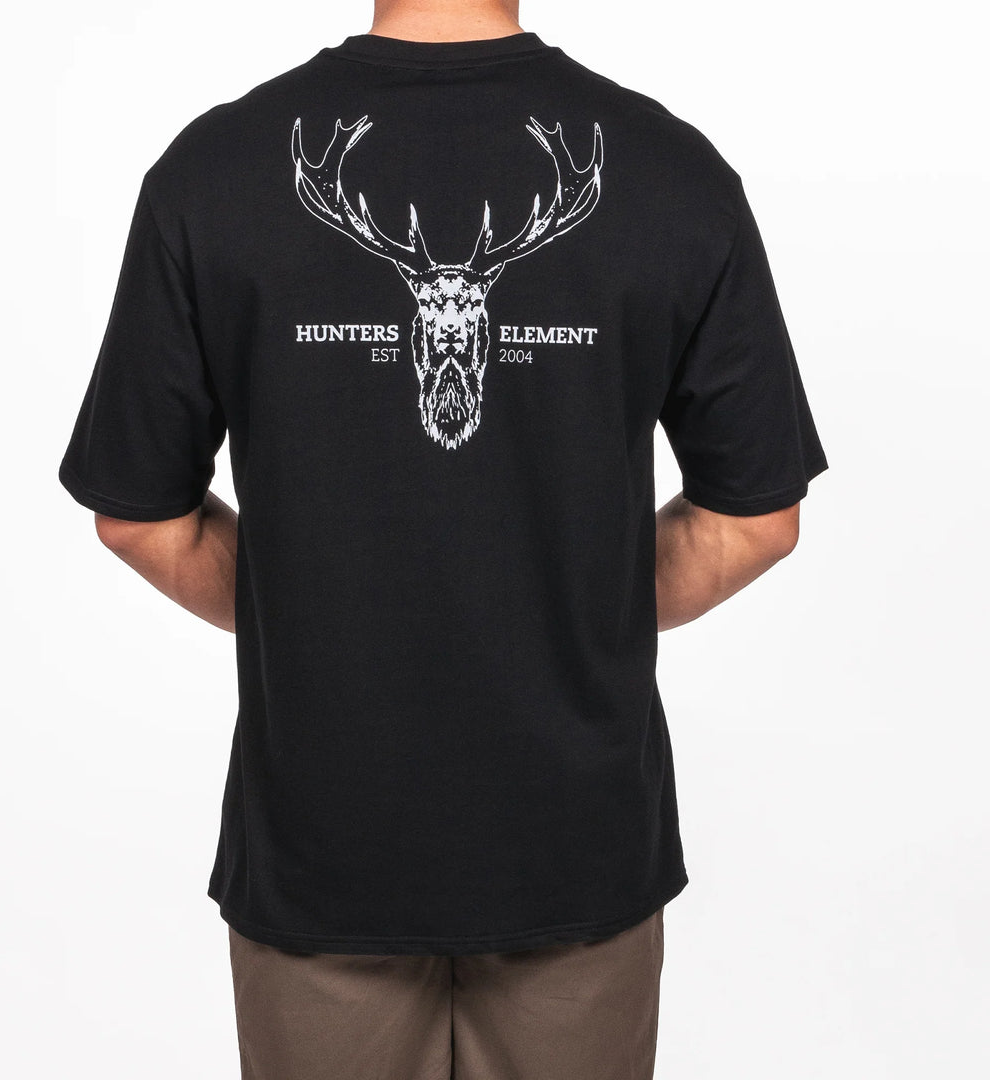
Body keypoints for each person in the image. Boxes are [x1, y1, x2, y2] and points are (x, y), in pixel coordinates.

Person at [58, 0, 828, 1075]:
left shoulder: (214, 174)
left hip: (322, 847)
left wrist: (308, 614)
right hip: (577, 849)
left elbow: (138, 515)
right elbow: (757, 519)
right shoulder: (670, 174)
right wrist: (574, 617)